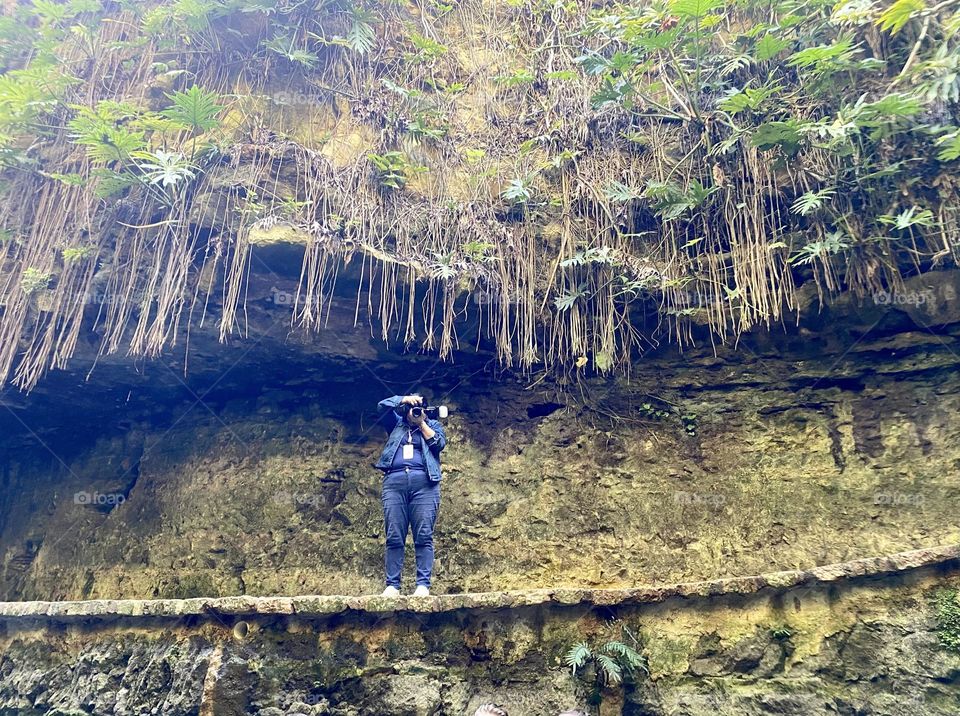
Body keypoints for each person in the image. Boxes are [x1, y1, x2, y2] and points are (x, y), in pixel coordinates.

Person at [374, 393, 447, 597]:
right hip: (394, 484)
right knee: (394, 535)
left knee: (423, 535)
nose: (415, 412)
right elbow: (382, 406)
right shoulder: (396, 424)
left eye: (419, 408)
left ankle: (422, 585)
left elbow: (438, 444)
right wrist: (403, 399)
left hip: (425, 485)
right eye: (413, 409)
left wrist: (422, 423)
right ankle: (392, 586)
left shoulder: (433, 426)